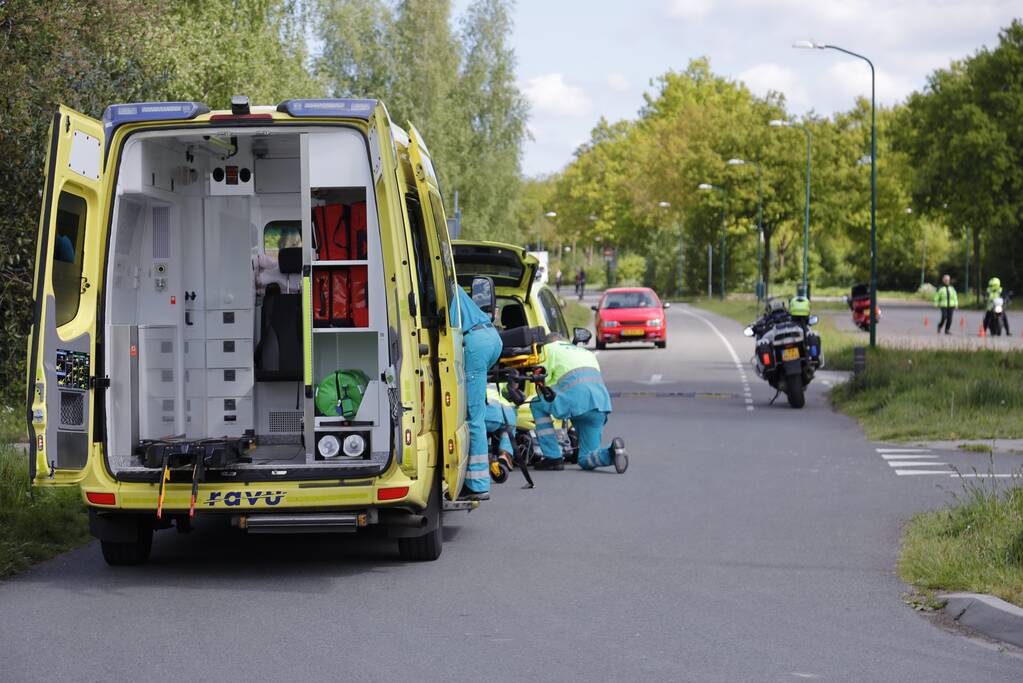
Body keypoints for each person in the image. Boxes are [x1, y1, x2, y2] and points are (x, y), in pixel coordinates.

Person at [530, 333, 627, 473]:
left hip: (577, 401)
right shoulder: (586, 352)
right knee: (585, 458)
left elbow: (541, 378)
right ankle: (611, 453)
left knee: (537, 403)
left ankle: (553, 457)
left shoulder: (548, 349)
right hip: (600, 404)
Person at [456, 286, 503, 500]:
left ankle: (477, 484)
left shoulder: (432, 287)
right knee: (476, 408)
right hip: (490, 336)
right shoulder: (448, 281)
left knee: (473, 417)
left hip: (474, 343)